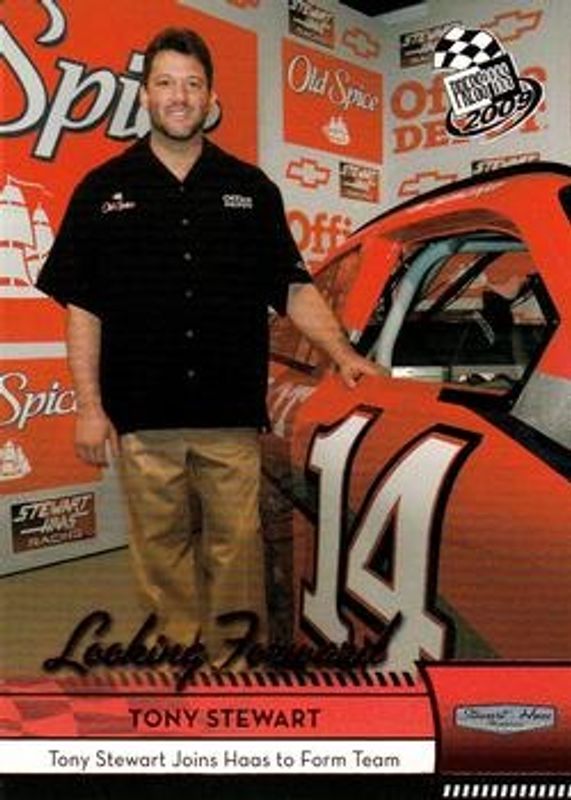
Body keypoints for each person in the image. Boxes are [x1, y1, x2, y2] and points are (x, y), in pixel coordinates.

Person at [37, 27, 378, 669]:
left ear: (211, 97)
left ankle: (231, 663)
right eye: (166, 83)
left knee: (236, 548)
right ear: (145, 95)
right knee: (160, 550)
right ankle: (178, 658)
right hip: (143, 417)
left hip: (229, 414)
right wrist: (89, 406)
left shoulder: (251, 189)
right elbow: (82, 307)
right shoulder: (102, 190)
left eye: (192, 84)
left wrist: (342, 353)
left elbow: (292, 287)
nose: (179, 95)